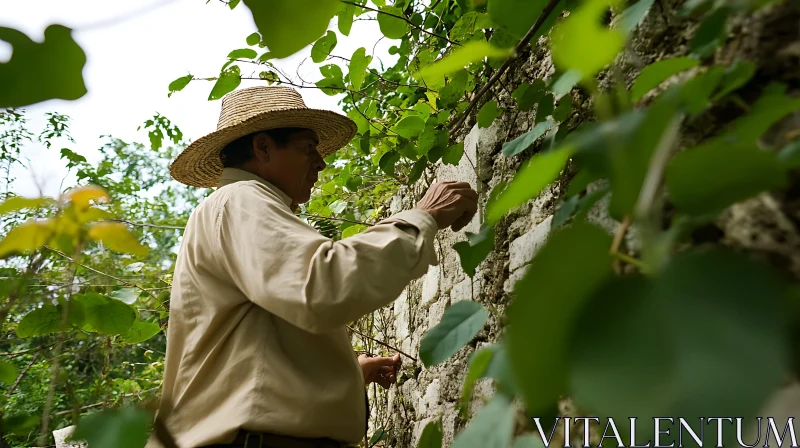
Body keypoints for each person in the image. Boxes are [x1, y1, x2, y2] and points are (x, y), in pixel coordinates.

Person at [150, 86, 478, 448]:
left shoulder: (233, 208)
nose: (320, 162)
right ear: (263, 148)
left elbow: (257, 344)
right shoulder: (242, 200)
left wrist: (348, 374)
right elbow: (321, 286)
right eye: (308, 148)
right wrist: (423, 217)